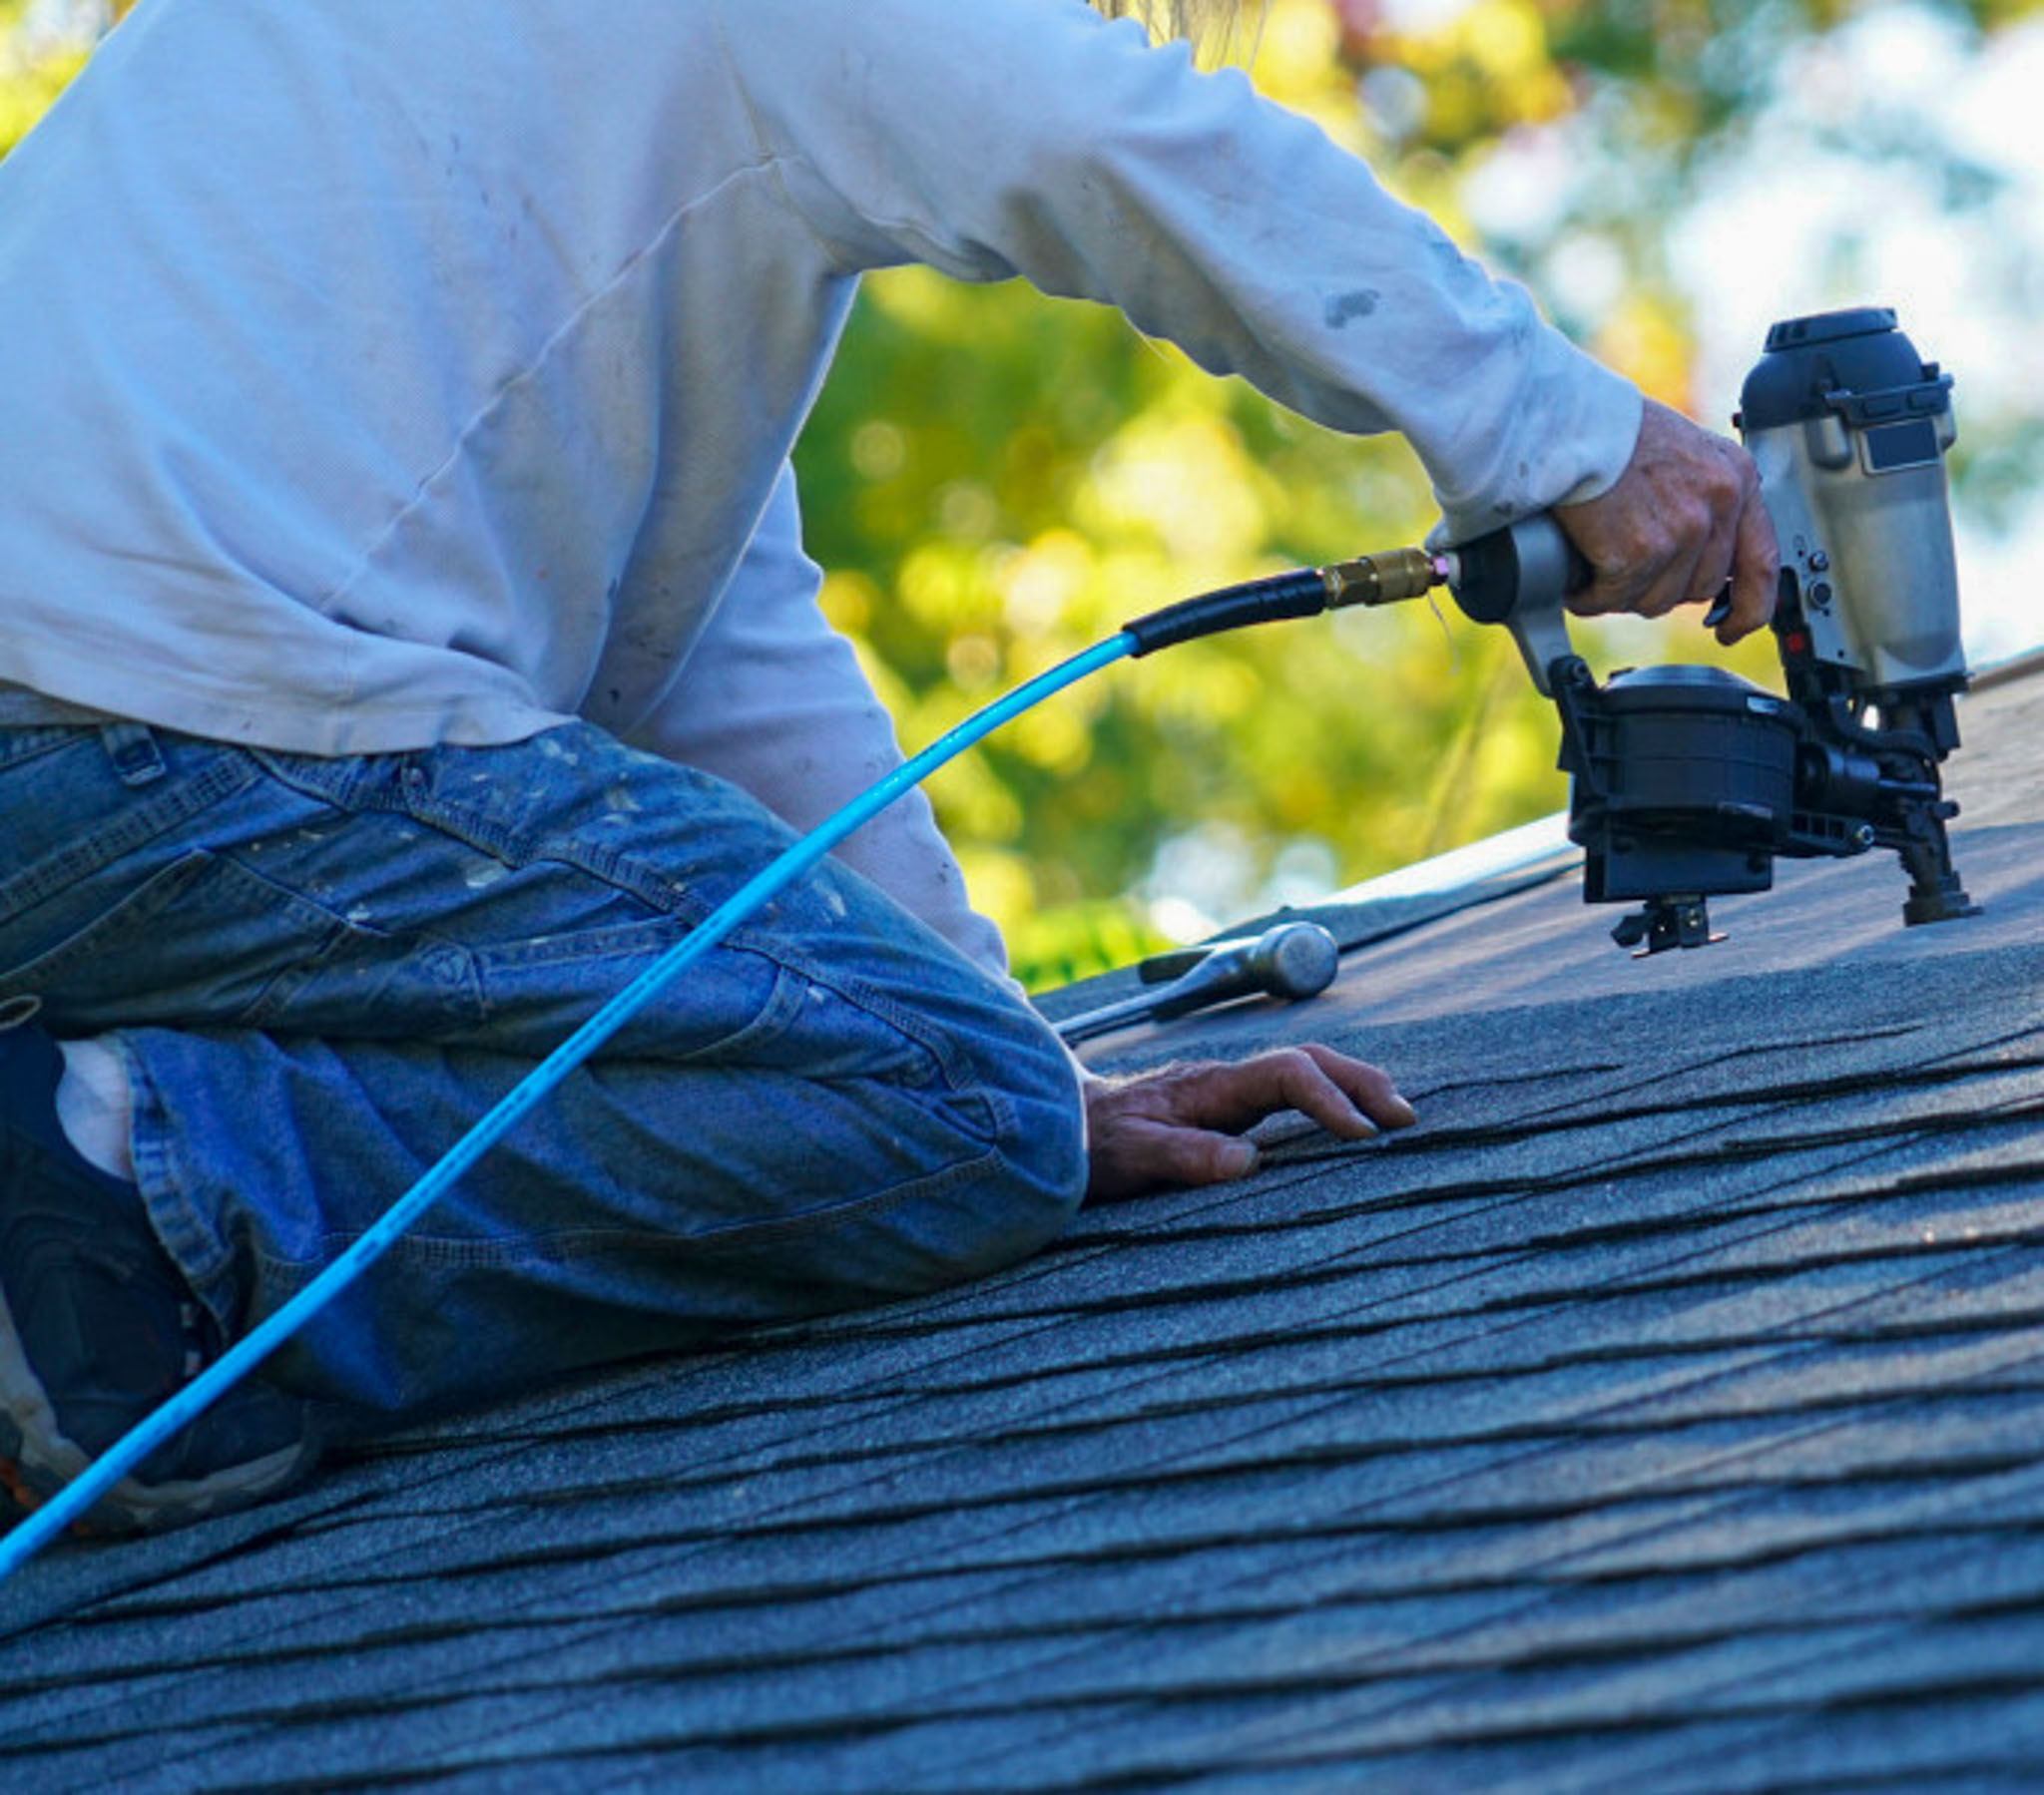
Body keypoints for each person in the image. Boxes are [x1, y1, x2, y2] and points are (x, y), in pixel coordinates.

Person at [0, 0, 1777, 1535]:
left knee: (972, 1104)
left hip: (114, 721)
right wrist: (1560, 427)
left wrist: (1013, 1058)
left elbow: (714, 647)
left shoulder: (575, 160)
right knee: (960, 1123)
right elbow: (1097, 131)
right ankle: (113, 1204)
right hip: (163, 708)